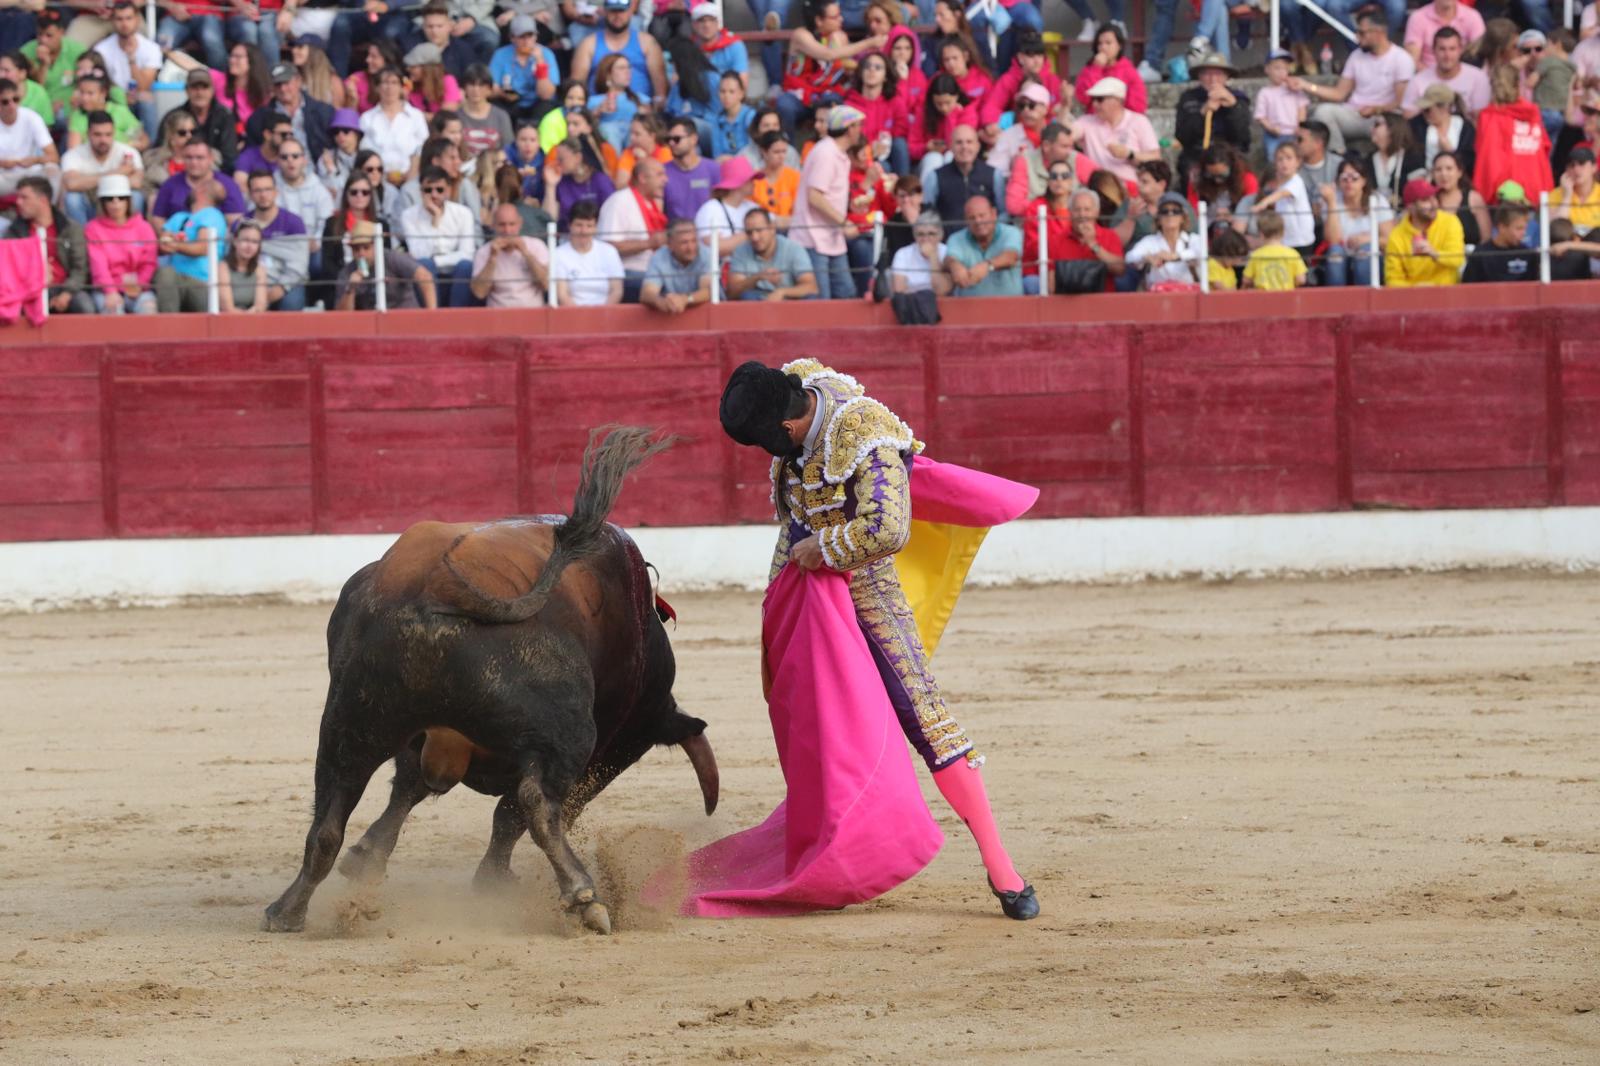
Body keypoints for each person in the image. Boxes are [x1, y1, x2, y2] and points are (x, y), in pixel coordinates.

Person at [700, 358, 1040, 921]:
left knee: (924, 717)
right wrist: (775, 605)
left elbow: (889, 528)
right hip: (812, 604)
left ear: (786, 428)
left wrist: (824, 549)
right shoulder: (794, 401)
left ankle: (1001, 866)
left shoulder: (864, 434)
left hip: (870, 600)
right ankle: (835, 846)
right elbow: (792, 529)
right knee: (815, 723)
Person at [1293, 10, 1415, 155]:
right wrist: (1306, 85)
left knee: (1389, 126)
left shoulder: (1401, 59)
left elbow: (1400, 102)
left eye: (1362, 33)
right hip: (1354, 114)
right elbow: (1339, 94)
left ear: (1379, 32)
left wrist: (1376, 109)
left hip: (1384, 117)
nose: (1357, 37)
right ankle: (1340, 157)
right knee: (1323, 112)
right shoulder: (1356, 56)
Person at [776, 0, 884, 134]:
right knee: (785, 105)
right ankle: (788, 152)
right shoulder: (801, 35)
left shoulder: (838, 36)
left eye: (840, 15)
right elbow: (828, 54)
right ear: (819, 20)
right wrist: (869, 43)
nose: (841, 19)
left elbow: (846, 64)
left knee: (833, 102)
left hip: (826, 93)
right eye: (835, 17)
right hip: (798, 95)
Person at [789, 103, 861, 299]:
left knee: (846, 293)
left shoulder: (836, 153)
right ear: (849, 129)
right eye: (857, 126)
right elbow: (815, 197)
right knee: (819, 301)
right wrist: (843, 222)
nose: (860, 131)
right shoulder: (826, 153)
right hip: (812, 238)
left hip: (830, 236)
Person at [401, 164, 480, 305]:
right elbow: (419, 254)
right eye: (428, 190)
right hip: (428, 273)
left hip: (455, 273)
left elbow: (467, 253)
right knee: (425, 264)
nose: (434, 194)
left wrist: (437, 261)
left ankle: (457, 319)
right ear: (420, 191)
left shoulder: (463, 213)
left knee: (465, 266)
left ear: (448, 191)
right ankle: (433, 317)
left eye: (439, 189)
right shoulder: (409, 215)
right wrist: (435, 221)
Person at [1474, 65, 1552, 203]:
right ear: (1517, 85)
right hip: (1536, 187)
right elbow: (1545, 147)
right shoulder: (1532, 114)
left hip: (1504, 193)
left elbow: (1488, 158)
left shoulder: (1489, 117)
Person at [82, 172, 156, 314]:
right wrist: (110, 291)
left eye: (121, 198)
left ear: (128, 201)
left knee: (148, 309)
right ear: (102, 202)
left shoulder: (143, 227)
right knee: (113, 312)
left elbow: (149, 262)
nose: (116, 203)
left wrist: (139, 285)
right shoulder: (93, 228)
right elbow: (98, 265)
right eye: (110, 199)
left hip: (138, 287)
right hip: (105, 290)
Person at [1173, 54, 1250, 186]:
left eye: (1219, 74)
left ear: (1227, 77)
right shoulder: (1189, 98)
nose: (1213, 79)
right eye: (1207, 74)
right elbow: (1182, 136)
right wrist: (1203, 112)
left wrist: (1233, 108)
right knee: (1190, 172)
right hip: (1197, 153)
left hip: (1230, 154)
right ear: (1200, 77)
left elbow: (1243, 137)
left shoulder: (1238, 99)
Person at [571, 0, 666, 107]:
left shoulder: (647, 42)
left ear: (630, 12)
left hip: (640, 112)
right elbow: (576, 86)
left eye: (622, 11)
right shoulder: (588, 44)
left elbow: (660, 90)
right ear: (605, 12)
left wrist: (654, 111)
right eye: (613, 11)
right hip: (598, 112)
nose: (617, 16)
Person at [153, 178, 227, 313]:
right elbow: (162, 245)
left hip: (202, 282)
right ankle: (169, 329)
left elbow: (203, 248)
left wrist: (175, 245)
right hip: (176, 279)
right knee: (165, 273)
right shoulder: (178, 217)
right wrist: (168, 243)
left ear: (200, 191)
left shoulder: (212, 214)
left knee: (166, 274)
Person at [598, 154, 667, 298]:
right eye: (659, 175)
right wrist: (649, 243)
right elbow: (607, 247)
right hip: (628, 274)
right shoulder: (619, 201)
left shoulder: (653, 204)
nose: (665, 180)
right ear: (642, 178)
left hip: (653, 272)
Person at [1321, 155, 1394, 286]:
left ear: (1364, 181)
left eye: (1354, 178)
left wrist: (1369, 240)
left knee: (1365, 251)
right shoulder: (1332, 201)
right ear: (1338, 181)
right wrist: (1331, 203)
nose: (1349, 182)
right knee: (1335, 253)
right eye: (1344, 178)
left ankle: (1365, 300)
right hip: (1343, 255)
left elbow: (1389, 240)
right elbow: (1333, 240)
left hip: (1372, 258)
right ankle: (1334, 302)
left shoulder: (1377, 201)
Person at [247, 63, 336, 171]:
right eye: (278, 85)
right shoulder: (259, 118)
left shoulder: (323, 111)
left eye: (286, 83)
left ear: (298, 81)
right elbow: (254, 152)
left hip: (318, 171)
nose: (283, 89)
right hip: (277, 173)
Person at [60, 109, 143, 224]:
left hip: (117, 205)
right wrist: (119, 172)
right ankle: (82, 240)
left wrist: (88, 180)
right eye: (97, 135)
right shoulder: (73, 155)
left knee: (136, 196)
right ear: (88, 134)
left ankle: (129, 238)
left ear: (113, 133)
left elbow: (136, 182)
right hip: (88, 206)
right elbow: (71, 184)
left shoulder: (128, 152)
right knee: (72, 199)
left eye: (108, 134)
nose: (103, 140)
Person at [334, 220, 439, 310]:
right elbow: (341, 316)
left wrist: (431, 316)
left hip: (406, 319)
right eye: (356, 249)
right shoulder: (347, 273)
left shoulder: (392, 258)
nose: (361, 253)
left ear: (376, 245)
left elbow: (424, 277)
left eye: (366, 247)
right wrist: (350, 290)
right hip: (372, 326)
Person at [244, 169, 310, 310]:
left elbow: (299, 264)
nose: (263, 195)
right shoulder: (242, 225)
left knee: (291, 302)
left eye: (268, 189)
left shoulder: (294, 222)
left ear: (276, 192)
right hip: (250, 284)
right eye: (257, 191)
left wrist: (279, 289)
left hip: (286, 283)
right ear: (250, 194)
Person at [92, 2, 159, 139]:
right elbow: (101, 83)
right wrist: (122, 96)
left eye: (129, 18)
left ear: (137, 20)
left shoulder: (151, 48)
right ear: (112, 21)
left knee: (146, 100)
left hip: (138, 98)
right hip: (113, 98)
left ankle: (150, 149)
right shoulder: (101, 50)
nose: (124, 24)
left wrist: (132, 60)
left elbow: (144, 87)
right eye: (119, 19)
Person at [1076, 77, 1160, 185]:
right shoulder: (1086, 121)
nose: (1095, 104)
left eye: (1100, 99)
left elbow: (1156, 158)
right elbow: (1067, 134)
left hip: (1131, 187)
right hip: (1098, 187)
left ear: (1118, 101)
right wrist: (1065, 106)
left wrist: (1130, 154)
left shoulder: (1139, 121)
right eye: (1093, 99)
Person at [1384, 176, 1464, 286]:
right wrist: (1415, 289)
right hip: (1411, 299)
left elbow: (1458, 259)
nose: (1433, 204)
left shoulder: (1450, 222)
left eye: (1434, 197)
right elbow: (1392, 279)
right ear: (1411, 207)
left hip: (1447, 293)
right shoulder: (1397, 235)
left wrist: (1434, 254)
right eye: (1425, 200)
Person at [359, 66, 430, 189]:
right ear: (377, 88)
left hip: (412, 180)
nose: (389, 87)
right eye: (385, 83)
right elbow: (365, 151)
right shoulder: (367, 118)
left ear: (402, 87)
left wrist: (411, 175)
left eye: (394, 83)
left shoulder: (415, 116)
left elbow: (423, 148)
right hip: (377, 182)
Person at [1006, 120, 1093, 218]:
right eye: (1064, 146)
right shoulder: (1025, 161)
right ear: (1046, 146)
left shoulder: (1076, 158)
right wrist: (1055, 209)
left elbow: (1104, 184)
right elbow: (1014, 205)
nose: (1070, 151)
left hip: (1072, 226)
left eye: (1071, 146)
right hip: (1034, 225)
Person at [726, 206, 818, 299]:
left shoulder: (793, 248)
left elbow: (811, 287)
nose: (754, 237)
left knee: (811, 298)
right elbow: (732, 293)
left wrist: (782, 292)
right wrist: (757, 277)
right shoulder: (741, 251)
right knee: (748, 296)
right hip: (759, 301)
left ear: (772, 228)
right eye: (749, 232)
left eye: (759, 230)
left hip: (791, 301)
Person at [152, 140, 248, 228]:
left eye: (200, 158)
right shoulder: (170, 184)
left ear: (211, 159)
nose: (194, 162)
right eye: (189, 157)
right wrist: (169, 238)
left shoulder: (228, 185)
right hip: (176, 240)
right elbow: (158, 218)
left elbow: (235, 220)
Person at [470, 202, 549, 306]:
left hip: (532, 313)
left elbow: (546, 285)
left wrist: (526, 253)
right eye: (502, 225)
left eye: (512, 224)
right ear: (493, 226)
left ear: (520, 224)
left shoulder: (537, 245)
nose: (507, 230)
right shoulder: (484, 252)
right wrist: (492, 258)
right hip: (498, 315)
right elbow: (479, 293)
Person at [1247, 142, 1316, 261]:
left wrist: (1263, 204)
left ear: (1298, 162)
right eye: (1280, 159)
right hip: (1287, 238)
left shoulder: (1296, 182)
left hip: (1300, 239)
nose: (1284, 163)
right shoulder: (1282, 184)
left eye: (1289, 158)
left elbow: (1282, 194)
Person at [1401, 27, 1489, 119]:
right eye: (1442, 49)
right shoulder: (1417, 81)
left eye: (1452, 49)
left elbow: (1480, 118)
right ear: (1433, 50)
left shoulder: (1478, 78)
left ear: (1460, 50)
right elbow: (1409, 117)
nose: (1447, 55)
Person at [944, 193, 1022, 296]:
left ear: (994, 214)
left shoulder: (1011, 232)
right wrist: (955, 266)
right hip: (968, 308)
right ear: (966, 220)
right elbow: (950, 258)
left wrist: (987, 266)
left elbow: (1011, 257)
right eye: (972, 218)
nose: (978, 221)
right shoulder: (956, 238)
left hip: (1009, 307)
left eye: (982, 215)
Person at [842, 50, 905, 175]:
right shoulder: (849, 106)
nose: (871, 70)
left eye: (878, 67)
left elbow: (902, 132)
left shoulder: (895, 102)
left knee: (900, 144)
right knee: (882, 167)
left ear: (886, 76)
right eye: (867, 66)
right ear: (861, 73)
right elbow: (848, 141)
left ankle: (905, 185)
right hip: (860, 157)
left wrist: (885, 145)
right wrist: (870, 149)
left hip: (889, 155)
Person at [553, 198, 625, 305]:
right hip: (572, 315)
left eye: (589, 226)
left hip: (606, 314)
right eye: (579, 225)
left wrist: (602, 315)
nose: (584, 231)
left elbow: (617, 290)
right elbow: (562, 294)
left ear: (596, 228)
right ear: (570, 226)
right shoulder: (558, 254)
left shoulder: (609, 251)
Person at [489, 14, 561, 121]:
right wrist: (503, 93)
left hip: (537, 102)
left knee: (547, 107)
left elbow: (546, 95)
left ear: (536, 36)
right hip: (510, 103)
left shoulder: (546, 54)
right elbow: (490, 88)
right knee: (496, 106)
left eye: (530, 35)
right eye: (522, 36)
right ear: (512, 38)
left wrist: (540, 61)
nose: (526, 41)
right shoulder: (501, 54)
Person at [927, 124, 996, 234]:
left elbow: (1002, 213)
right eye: (959, 142)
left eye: (969, 142)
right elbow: (928, 214)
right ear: (951, 146)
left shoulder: (993, 174)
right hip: (948, 244)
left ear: (978, 146)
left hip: (985, 242)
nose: (964, 147)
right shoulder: (935, 176)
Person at [1124, 191, 1200, 289]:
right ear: (1158, 218)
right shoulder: (1149, 241)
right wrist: (1148, 257)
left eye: (1176, 211)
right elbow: (1129, 257)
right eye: (1165, 211)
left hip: (1188, 296)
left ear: (1183, 218)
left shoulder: (1193, 239)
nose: (1170, 215)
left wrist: (1175, 256)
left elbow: (1200, 253)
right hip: (1158, 298)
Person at [984, 81, 1051, 192]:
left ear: (1045, 109)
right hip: (1019, 192)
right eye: (1021, 106)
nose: (1025, 110)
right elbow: (994, 171)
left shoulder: (1055, 133)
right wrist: (1014, 168)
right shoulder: (1009, 135)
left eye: (1031, 105)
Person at [910, 73, 977, 182]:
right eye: (939, 104)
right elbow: (911, 148)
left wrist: (951, 116)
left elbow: (957, 143)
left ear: (956, 97)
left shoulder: (967, 112)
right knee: (934, 158)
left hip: (955, 156)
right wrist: (926, 148)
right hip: (928, 160)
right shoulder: (923, 112)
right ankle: (928, 198)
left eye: (948, 103)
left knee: (951, 156)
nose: (944, 108)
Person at [175, 67, 240, 174]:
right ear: (186, 90)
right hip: (180, 172)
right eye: (194, 87)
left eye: (205, 87)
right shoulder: (174, 117)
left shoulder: (225, 116)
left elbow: (229, 156)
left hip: (217, 174)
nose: (200, 93)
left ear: (212, 90)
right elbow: (163, 149)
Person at [640, 217, 712, 312]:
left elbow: (708, 291)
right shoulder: (659, 256)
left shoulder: (706, 254)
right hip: (670, 314)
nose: (690, 248)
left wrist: (685, 299)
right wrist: (661, 302)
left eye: (694, 241)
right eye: (684, 243)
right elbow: (646, 293)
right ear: (670, 245)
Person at [542, 134, 615, 224]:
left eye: (561, 159)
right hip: (565, 235)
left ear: (578, 158)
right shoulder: (561, 181)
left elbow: (612, 216)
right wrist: (550, 186)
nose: (557, 163)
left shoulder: (601, 181)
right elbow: (549, 220)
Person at [1071, 24, 1141, 115]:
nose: (1103, 47)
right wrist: (1096, 69)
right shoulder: (1089, 69)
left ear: (1119, 46)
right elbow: (1083, 98)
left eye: (1108, 43)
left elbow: (1138, 106)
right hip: (1094, 120)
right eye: (1100, 43)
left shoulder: (1129, 71)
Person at [1255, 49, 1310, 164]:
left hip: (1294, 133)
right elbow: (1261, 116)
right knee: (1274, 158)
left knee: (1296, 158)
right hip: (1275, 134)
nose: (1281, 72)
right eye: (1277, 68)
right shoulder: (1265, 92)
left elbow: (1302, 108)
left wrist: (1300, 126)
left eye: (1285, 68)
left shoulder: (1294, 88)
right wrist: (1271, 128)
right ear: (1267, 70)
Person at [695, 155, 757, 258]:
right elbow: (714, 247)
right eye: (750, 179)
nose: (754, 183)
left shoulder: (753, 207)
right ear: (739, 183)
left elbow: (771, 231)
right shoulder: (710, 209)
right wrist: (751, 233)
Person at [276, 135, 335, 243]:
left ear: (304, 160)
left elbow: (326, 225)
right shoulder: (269, 189)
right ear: (277, 161)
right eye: (284, 157)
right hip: (280, 248)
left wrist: (316, 243)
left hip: (313, 249)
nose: (290, 160)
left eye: (295, 156)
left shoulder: (319, 190)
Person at [1407, 83, 1476, 174]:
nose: (1424, 114)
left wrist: (1450, 152)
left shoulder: (1465, 128)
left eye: (1428, 109)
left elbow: (1470, 160)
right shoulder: (1416, 125)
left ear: (1445, 108)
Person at [1462, 200, 1538, 282]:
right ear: (1501, 227)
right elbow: (1468, 289)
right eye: (1519, 228)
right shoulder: (1480, 255)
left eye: (1524, 228)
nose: (1524, 233)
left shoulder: (1528, 255)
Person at [662, 116, 719, 221]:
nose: (671, 143)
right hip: (676, 234)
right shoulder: (662, 172)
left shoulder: (713, 169)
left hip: (707, 233)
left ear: (694, 139)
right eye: (668, 139)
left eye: (676, 139)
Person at [1403, 0, 1484, 69]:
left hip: (1465, 78)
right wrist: (1432, 79)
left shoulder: (1473, 16)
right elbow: (1412, 60)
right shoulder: (1418, 18)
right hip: (1428, 79)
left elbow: (1482, 54)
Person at [1530, 29, 1577, 143]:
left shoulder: (1549, 61)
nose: (1545, 49)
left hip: (1544, 112)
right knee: (1550, 146)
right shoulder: (1573, 66)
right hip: (1560, 116)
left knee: (1535, 145)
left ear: (1558, 45)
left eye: (1548, 45)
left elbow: (1530, 82)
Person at [888, 210, 951, 295]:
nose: (925, 239)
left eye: (931, 234)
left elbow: (942, 290)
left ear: (940, 235)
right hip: (911, 303)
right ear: (915, 236)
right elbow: (899, 290)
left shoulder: (947, 252)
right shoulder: (902, 254)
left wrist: (933, 257)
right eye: (921, 234)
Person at [1432, 150, 1488, 248]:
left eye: (1449, 169)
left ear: (1459, 172)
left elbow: (1486, 238)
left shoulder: (1474, 198)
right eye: (1438, 170)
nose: (1444, 174)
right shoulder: (1428, 201)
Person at [1241, 211, 1306, 290]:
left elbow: (1246, 280)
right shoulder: (1293, 254)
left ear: (1261, 234)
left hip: (1262, 299)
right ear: (1283, 232)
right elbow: (1301, 280)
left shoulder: (1256, 255)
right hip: (1287, 297)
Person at [218, 218, 271, 312]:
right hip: (227, 321)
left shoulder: (260, 269)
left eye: (255, 242)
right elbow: (227, 308)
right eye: (245, 240)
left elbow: (260, 306)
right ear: (235, 241)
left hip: (252, 320)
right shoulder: (222, 267)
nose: (249, 246)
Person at [220, 42, 272, 131]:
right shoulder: (219, 79)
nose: (231, 60)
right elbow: (191, 66)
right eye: (231, 56)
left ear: (252, 60)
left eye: (238, 57)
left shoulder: (265, 93)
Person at [751, 129, 801, 224]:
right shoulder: (753, 179)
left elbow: (799, 212)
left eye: (784, 152)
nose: (781, 156)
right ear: (764, 152)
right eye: (776, 152)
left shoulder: (795, 177)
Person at [234, 110, 294, 188]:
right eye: (284, 134)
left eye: (291, 134)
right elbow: (240, 186)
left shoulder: (293, 157)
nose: (288, 138)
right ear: (267, 134)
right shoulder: (248, 157)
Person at [1552, 147, 1600, 234]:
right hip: (1566, 246)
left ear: (1594, 167)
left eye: (1582, 164)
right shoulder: (1555, 195)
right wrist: (1567, 196)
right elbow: (1556, 232)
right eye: (1571, 165)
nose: (1576, 169)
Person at [405, 42, 461, 115]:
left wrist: (419, 117)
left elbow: (446, 116)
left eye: (413, 66)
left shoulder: (448, 81)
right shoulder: (411, 86)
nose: (408, 69)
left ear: (427, 69)